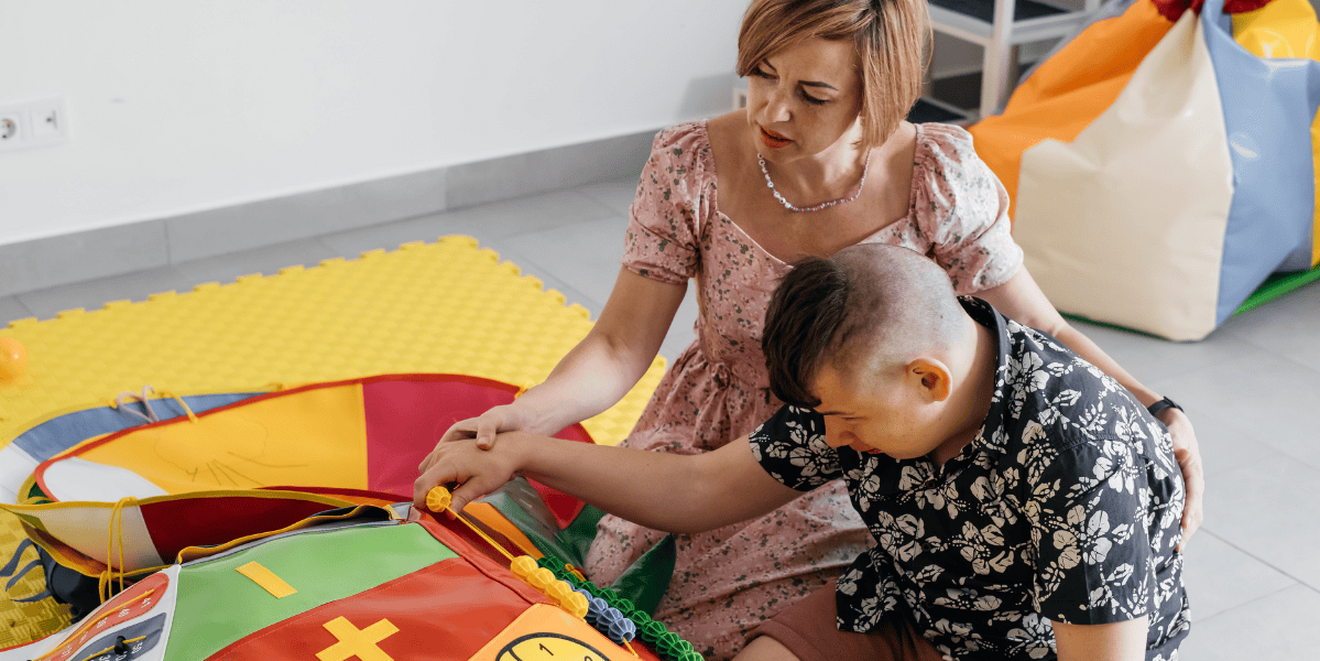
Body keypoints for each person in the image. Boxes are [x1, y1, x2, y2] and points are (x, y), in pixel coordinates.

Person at [428, 0, 1202, 656]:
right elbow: (647, 392)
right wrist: (523, 432)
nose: (771, 110)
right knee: (632, 609)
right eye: (760, 74)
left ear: (880, 93)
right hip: (838, 487)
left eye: (812, 93)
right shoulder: (837, 411)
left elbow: (1039, 327)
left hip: (902, 488)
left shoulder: (963, 407)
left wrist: (1157, 409)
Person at [414, 244, 1190, 661]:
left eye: (848, 420)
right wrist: (524, 451)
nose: (837, 438)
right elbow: (701, 489)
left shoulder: (1079, 454)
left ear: (929, 379)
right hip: (905, 605)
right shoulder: (863, 390)